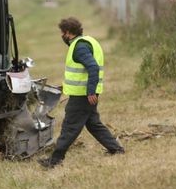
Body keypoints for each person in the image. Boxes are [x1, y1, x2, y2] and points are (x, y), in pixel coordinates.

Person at [39, 17, 124, 168]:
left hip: (83, 95)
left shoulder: (80, 47)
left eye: (62, 33)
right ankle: (116, 149)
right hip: (86, 93)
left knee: (70, 126)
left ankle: (55, 160)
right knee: (93, 123)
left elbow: (93, 67)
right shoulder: (86, 41)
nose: (62, 36)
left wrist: (90, 91)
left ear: (68, 33)